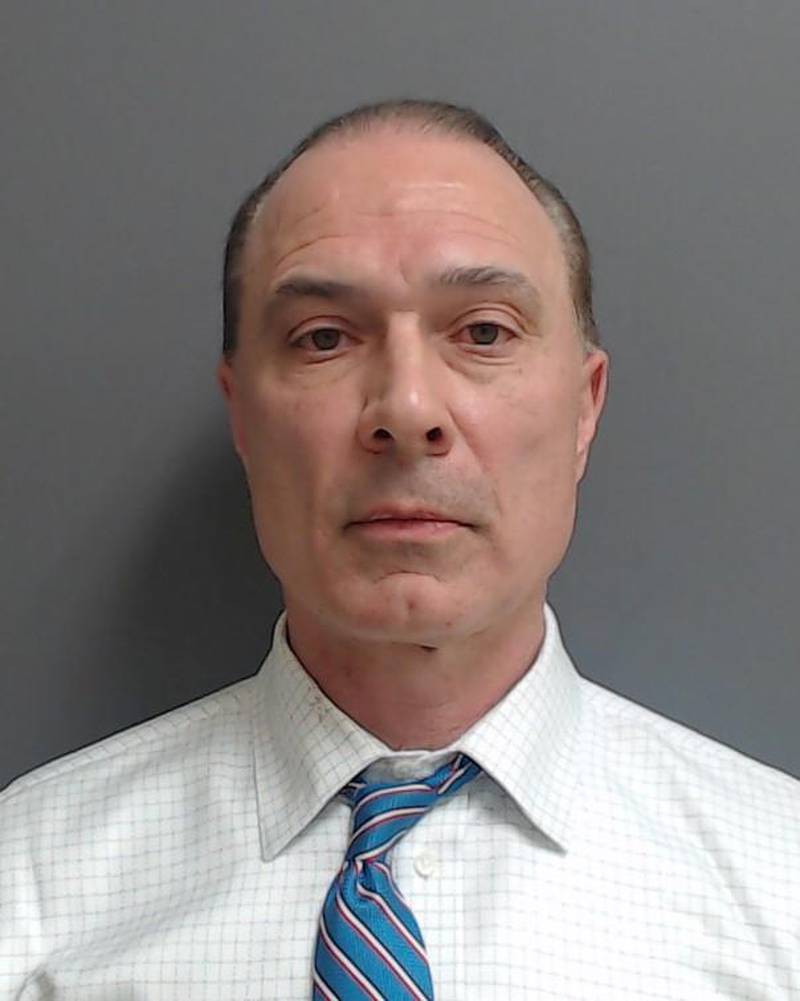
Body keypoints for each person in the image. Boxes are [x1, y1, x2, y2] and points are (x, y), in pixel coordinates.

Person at [1, 98, 798, 1001]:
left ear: (585, 408)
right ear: (243, 416)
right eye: (324, 338)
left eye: (485, 331)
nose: (408, 410)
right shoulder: (29, 889)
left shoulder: (781, 888)